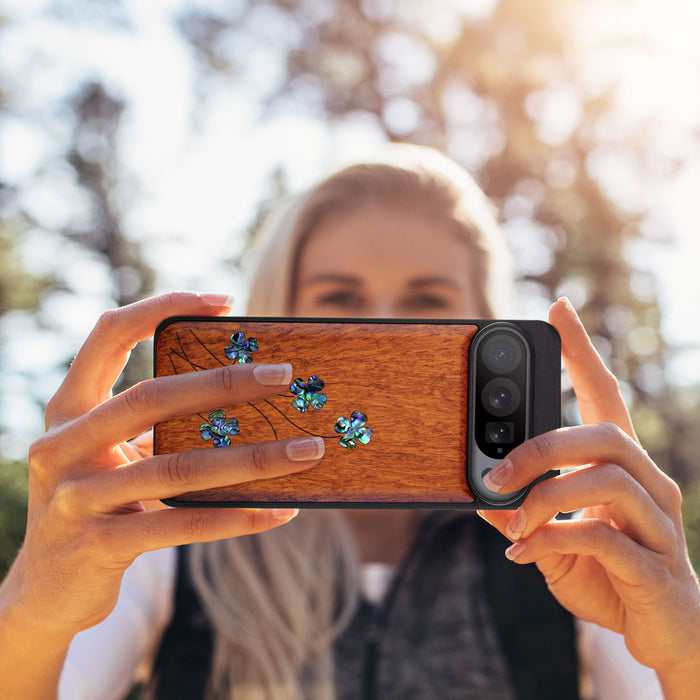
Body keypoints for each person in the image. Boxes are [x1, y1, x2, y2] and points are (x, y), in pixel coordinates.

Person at [0, 145, 698, 700]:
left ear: (486, 324)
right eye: (340, 300)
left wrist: (685, 648)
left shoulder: (567, 542)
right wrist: (34, 607)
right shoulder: (171, 535)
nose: (382, 333)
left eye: (427, 302)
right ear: (279, 312)